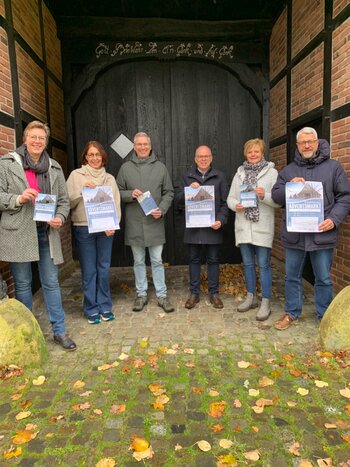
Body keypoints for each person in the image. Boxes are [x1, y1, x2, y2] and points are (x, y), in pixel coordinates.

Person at [0, 120, 76, 350]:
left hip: (46, 232)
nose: (37, 141)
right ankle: (29, 335)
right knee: (23, 284)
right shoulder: (7, 163)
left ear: (46, 142)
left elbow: (63, 201)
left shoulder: (54, 167)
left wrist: (60, 218)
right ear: (25, 139)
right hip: (18, 232)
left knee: (51, 282)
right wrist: (18, 198)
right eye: (33, 137)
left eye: (41, 138)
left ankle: (59, 331)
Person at [272, 127, 350, 330]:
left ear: (317, 142)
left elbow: (345, 197)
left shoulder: (333, 167)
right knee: (291, 276)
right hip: (294, 235)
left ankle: (324, 316)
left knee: (323, 278)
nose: (307, 145)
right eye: (302, 142)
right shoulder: (288, 171)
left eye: (311, 141)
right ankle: (291, 312)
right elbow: (276, 195)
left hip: (322, 233)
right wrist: (289, 186)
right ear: (297, 146)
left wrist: (333, 219)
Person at [116, 132, 175, 313]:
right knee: (138, 261)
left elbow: (169, 192)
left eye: (145, 144)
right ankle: (141, 294)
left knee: (157, 260)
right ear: (134, 147)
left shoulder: (161, 168)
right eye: (139, 144)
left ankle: (162, 295)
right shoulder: (125, 168)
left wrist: (162, 209)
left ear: (150, 146)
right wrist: (129, 194)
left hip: (154, 221)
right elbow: (117, 191)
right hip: (135, 222)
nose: (142, 147)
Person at [66, 141, 121, 324]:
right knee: (89, 270)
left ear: (103, 158)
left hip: (105, 229)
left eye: (98, 155)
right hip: (84, 227)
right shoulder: (76, 175)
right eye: (91, 155)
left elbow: (116, 205)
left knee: (103, 269)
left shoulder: (110, 179)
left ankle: (105, 306)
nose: (95, 158)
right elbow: (67, 202)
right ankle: (91, 308)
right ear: (85, 157)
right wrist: (82, 192)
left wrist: (114, 224)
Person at [227, 138, 279, 320]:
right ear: (246, 154)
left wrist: (264, 195)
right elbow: (230, 198)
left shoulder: (271, 173)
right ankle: (251, 297)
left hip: (262, 227)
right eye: (250, 152)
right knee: (248, 264)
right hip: (243, 226)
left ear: (262, 152)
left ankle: (265, 301)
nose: (253, 154)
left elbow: (278, 201)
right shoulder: (239, 174)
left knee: (263, 265)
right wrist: (236, 206)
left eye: (256, 151)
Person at [176, 145, 229, 309]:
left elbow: (225, 203)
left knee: (213, 260)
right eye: (200, 156)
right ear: (195, 159)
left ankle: (214, 293)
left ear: (211, 158)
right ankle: (194, 293)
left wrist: (221, 220)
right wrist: (187, 191)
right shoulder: (187, 177)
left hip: (213, 227)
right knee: (194, 260)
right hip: (194, 228)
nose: (203, 159)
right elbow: (177, 200)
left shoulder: (220, 176)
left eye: (206, 156)